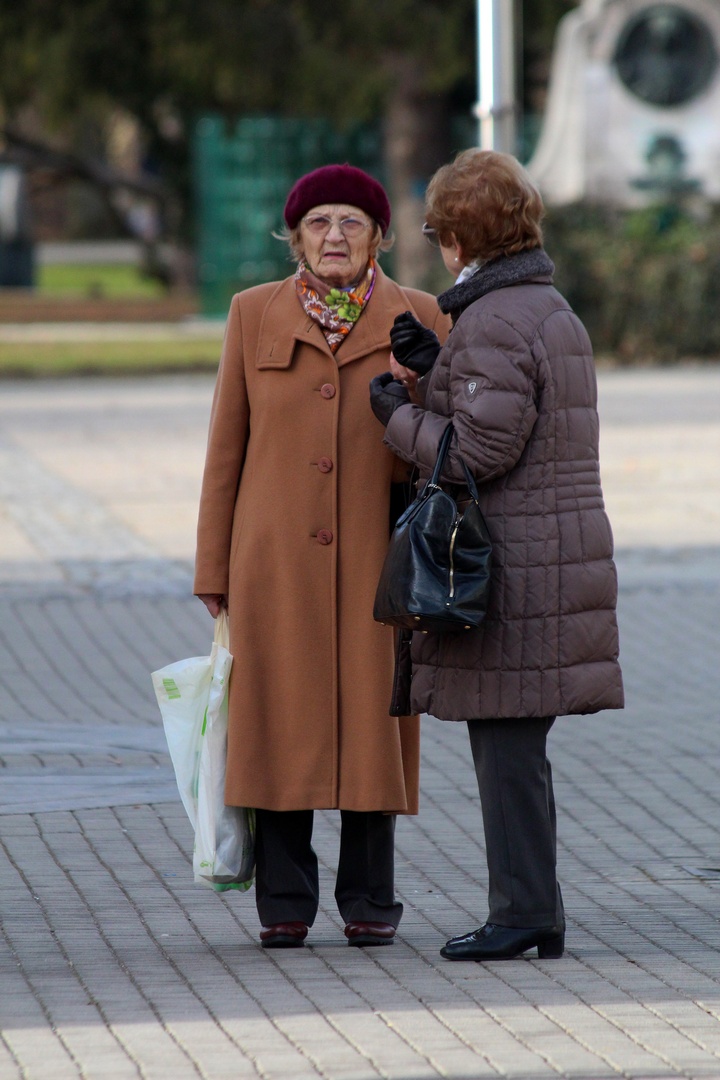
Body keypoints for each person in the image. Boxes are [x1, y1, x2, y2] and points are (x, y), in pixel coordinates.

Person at [369, 149, 624, 961]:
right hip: (553, 558)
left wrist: (395, 418)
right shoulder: (540, 306)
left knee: (506, 750)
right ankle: (532, 911)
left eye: (442, 231)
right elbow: (512, 406)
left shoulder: (496, 317)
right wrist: (436, 367)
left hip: (518, 568)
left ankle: (521, 916)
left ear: (458, 240)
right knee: (515, 751)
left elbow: (480, 448)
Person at [194, 163, 450, 950]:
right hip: (272, 563)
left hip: (382, 557)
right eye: (317, 223)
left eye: (350, 223)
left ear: (378, 235)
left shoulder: (423, 314)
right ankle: (285, 902)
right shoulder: (251, 314)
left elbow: (447, 445)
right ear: (294, 236)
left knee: (377, 726)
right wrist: (213, 567)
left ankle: (371, 899)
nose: (333, 237)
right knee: (277, 728)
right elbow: (226, 448)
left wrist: (428, 378)